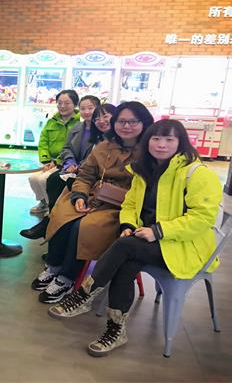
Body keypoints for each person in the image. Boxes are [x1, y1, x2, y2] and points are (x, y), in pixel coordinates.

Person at [47, 119, 222, 357]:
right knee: (127, 259)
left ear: (181, 142)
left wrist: (158, 231)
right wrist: (128, 225)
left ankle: (85, 294)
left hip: (184, 246)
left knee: (125, 248)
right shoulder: (144, 170)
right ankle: (115, 330)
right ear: (147, 141)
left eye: (169, 139)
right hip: (146, 241)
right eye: (156, 139)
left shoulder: (197, 174)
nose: (161, 145)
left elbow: (203, 218)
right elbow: (130, 204)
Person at [34, 101, 154, 302]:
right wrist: (79, 195)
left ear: (144, 123)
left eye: (133, 121)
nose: (126, 126)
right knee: (61, 214)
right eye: (122, 121)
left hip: (122, 206)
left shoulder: (149, 151)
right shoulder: (104, 146)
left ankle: (67, 277)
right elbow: (86, 174)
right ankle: (54, 266)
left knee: (84, 226)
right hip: (93, 196)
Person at [20, 102, 115, 239]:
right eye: (97, 118)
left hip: (94, 179)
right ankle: (50, 219)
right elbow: (61, 147)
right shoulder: (86, 131)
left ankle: (50, 221)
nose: (100, 121)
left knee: (58, 182)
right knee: (52, 180)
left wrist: (76, 167)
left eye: (105, 116)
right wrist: (65, 162)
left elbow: (93, 163)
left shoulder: (112, 141)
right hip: (71, 166)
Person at [27, 90, 81, 214]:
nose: (62, 106)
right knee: (33, 178)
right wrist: (46, 160)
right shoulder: (52, 121)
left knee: (43, 179)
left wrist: (56, 162)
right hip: (50, 161)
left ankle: (52, 207)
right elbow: (43, 141)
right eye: (59, 103)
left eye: (67, 103)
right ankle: (43, 202)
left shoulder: (79, 123)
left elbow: (72, 148)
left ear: (75, 104)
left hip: (66, 162)